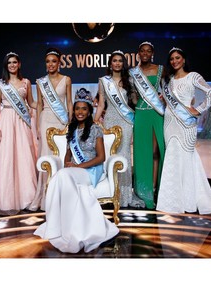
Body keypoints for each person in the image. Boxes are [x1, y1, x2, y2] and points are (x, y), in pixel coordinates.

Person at [156, 47, 211, 216]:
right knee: (172, 156)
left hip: (187, 123)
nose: (175, 61)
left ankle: (189, 199)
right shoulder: (168, 80)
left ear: (183, 59)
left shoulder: (193, 76)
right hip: (169, 123)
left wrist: (199, 109)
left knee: (187, 157)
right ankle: (172, 200)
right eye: (172, 59)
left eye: (178, 58)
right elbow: (167, 102)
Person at [34, 88, 119, 253]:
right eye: (77, 108)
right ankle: (63, 226)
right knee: (61, 176)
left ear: (89, 111)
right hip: (73, 171)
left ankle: (64, 228)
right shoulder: (72, 130)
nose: (80, 112)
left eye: (84, 109)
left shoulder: (95, 129)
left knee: (62, 176)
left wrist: (77, 166)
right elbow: (67, 153)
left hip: (91, 171)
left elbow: (101, 157)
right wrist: (67, 162)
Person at [0, 52, 38, 217]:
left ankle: (26, 198)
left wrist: (43, 104)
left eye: (15, 62)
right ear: (6, 66)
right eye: (9, 63)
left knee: (23, 158)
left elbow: (31, 102)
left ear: (19, 64)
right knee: (6, 158)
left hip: (21, 123)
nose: (12, 65)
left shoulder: (26, 82)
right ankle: (7, 199)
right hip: (6, 121)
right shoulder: (0, 84)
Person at [94, 50, 145, 208]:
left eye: (120, 61)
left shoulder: (129, 80)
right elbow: (102, 103)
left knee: (123, 155)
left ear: (123, 63)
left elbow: (135, 102)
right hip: (109, 120)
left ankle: (124, 194)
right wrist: (96, 119)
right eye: (114, 60)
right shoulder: (104, 81)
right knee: (110, 155)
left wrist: (137, 93)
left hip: (126, 121)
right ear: (110, 63)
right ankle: (111, 191)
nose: (117, 63)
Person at [29, 47, 73, 211]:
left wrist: (69, 122)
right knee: (46, 157)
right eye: (48, 62)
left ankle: (62, 194)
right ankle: (46, 195)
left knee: (61, 156)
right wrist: (38, 128)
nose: (51, 64)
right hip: (46, 120)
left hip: (61, 122)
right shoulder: (41, 82)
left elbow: (69, 103)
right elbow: (39, 104)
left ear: (59, 62)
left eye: (54, 61)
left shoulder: (67, 79)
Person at [129, 41, 165, 209]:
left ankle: (156, 188)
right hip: (141, 114)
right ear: (138, 53)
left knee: (156, 152)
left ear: (152, 53)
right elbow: (134, 96)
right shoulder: (133, 73)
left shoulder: (161, 70)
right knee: (143, 153)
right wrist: (135, 100)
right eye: (142, 50)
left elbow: (167, 91)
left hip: (156, 114)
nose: (145, 53)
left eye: (148, 51)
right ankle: (144, 191)